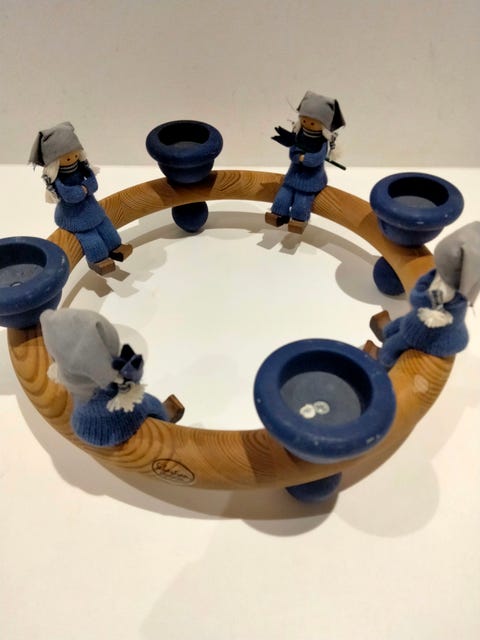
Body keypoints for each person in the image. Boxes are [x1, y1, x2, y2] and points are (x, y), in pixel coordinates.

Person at [29, 121, 132, 274]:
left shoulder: (82, 168)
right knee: (90, 238)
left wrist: (83, 189)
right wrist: (84, 189)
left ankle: (115, 247)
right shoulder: (58, 179)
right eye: (66, 157)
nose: (72, 157)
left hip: (93, 210)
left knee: (106, 226)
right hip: (74, 217)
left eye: (75, 153)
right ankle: (98, 260)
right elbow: (71, 196)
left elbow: (93, 184)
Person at [267, 91, 345, 234]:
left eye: (312, 122)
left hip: (310, 181)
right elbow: (292, 153)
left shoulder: (321, 142)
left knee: (302, 202)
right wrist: (298, 157)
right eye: (304, 120)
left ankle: (298, 220)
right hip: (292, 177)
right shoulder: (298, 135)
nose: (307, 124)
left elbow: (317, 159)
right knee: (282, 196)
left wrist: (304, 158)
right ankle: (278, 214)